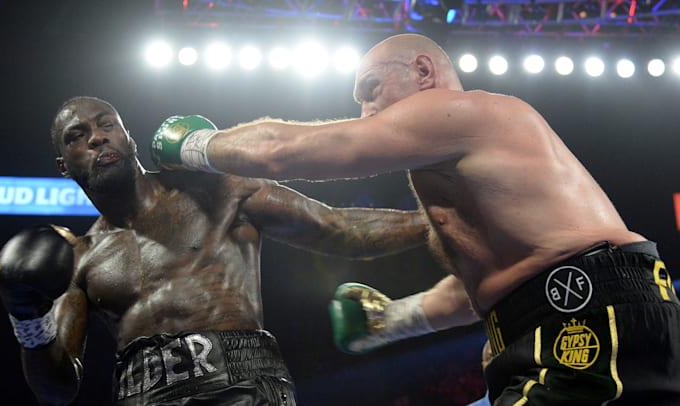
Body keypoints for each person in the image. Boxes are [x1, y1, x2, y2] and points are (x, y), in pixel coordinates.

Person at [150, 33, 680, 405]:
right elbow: (493, 287)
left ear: (423, 72)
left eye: (371, 91)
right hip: (567, 315)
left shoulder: (462, 111)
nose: (365, 113)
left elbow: (290, 152)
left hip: (586, 314)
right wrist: (392, 320)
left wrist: (196, 145)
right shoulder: (467, 173)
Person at [0, 96, 429, 405]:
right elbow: (57, 389)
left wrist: (438, 222)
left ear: (127, 135)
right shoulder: (80, 258)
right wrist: (26, 318)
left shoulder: (215, 191)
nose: (97, 138)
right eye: (78, 135)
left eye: (107, 124)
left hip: (243, 386)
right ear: (63, 165)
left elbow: (337, 227)